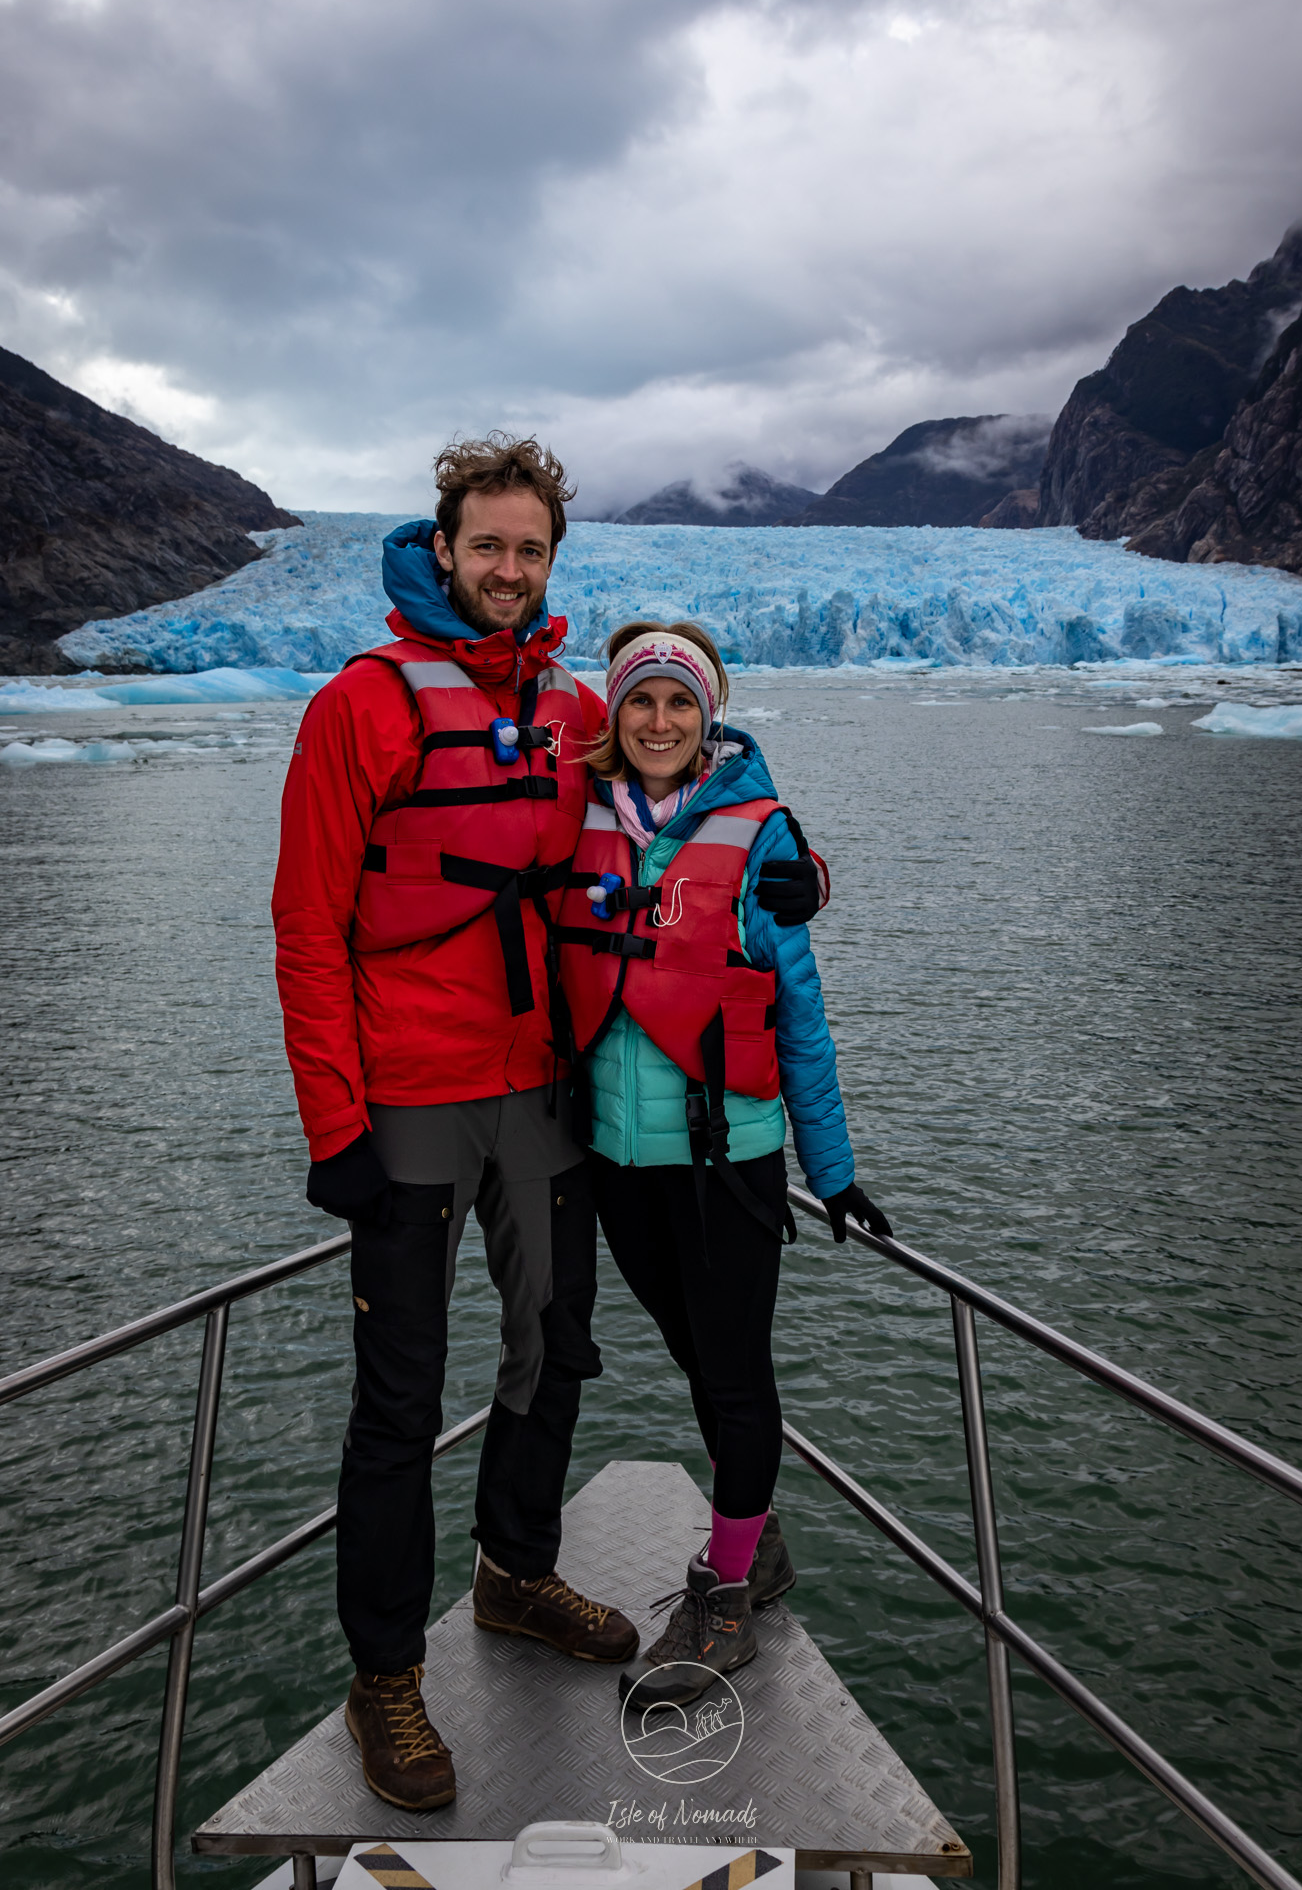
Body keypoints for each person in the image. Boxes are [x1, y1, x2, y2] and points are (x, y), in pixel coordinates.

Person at [272, 438, 824, 1811]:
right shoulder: (363, 706)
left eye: (531, 551)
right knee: (398, 1402)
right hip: (404, 1096)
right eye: (488, 546)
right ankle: (384, 1678)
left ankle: (515, 1574)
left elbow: (683, 783)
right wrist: (331, 1125)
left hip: (541, 1091)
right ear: (442, 547)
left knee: (551, 1350)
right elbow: (303, 926)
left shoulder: (577, 709)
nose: (507, 570)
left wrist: (796, 864)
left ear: (548, 564)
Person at [554, 620, 891, 1712]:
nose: (658, 720)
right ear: (616, 711)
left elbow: (801, 1017)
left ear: (710, 719)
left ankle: (729, 1588)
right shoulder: (579, 817)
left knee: (736, 1376)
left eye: (680, 703)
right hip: (616, 1160)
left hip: (725, 1157)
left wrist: (831, 1170)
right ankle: (760, 1539)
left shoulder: (757, 841)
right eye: (641, 699)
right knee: (699, 1360)